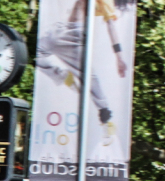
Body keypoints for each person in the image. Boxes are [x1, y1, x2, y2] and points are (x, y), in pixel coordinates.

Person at [35, 0, 132, 143]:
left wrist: (119, 56)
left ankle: (106, 117)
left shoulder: (106, 2)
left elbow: (111, 26)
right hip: (62, 29)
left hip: (72, 33)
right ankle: (64, 76)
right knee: (38, 55)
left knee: (88, 76)